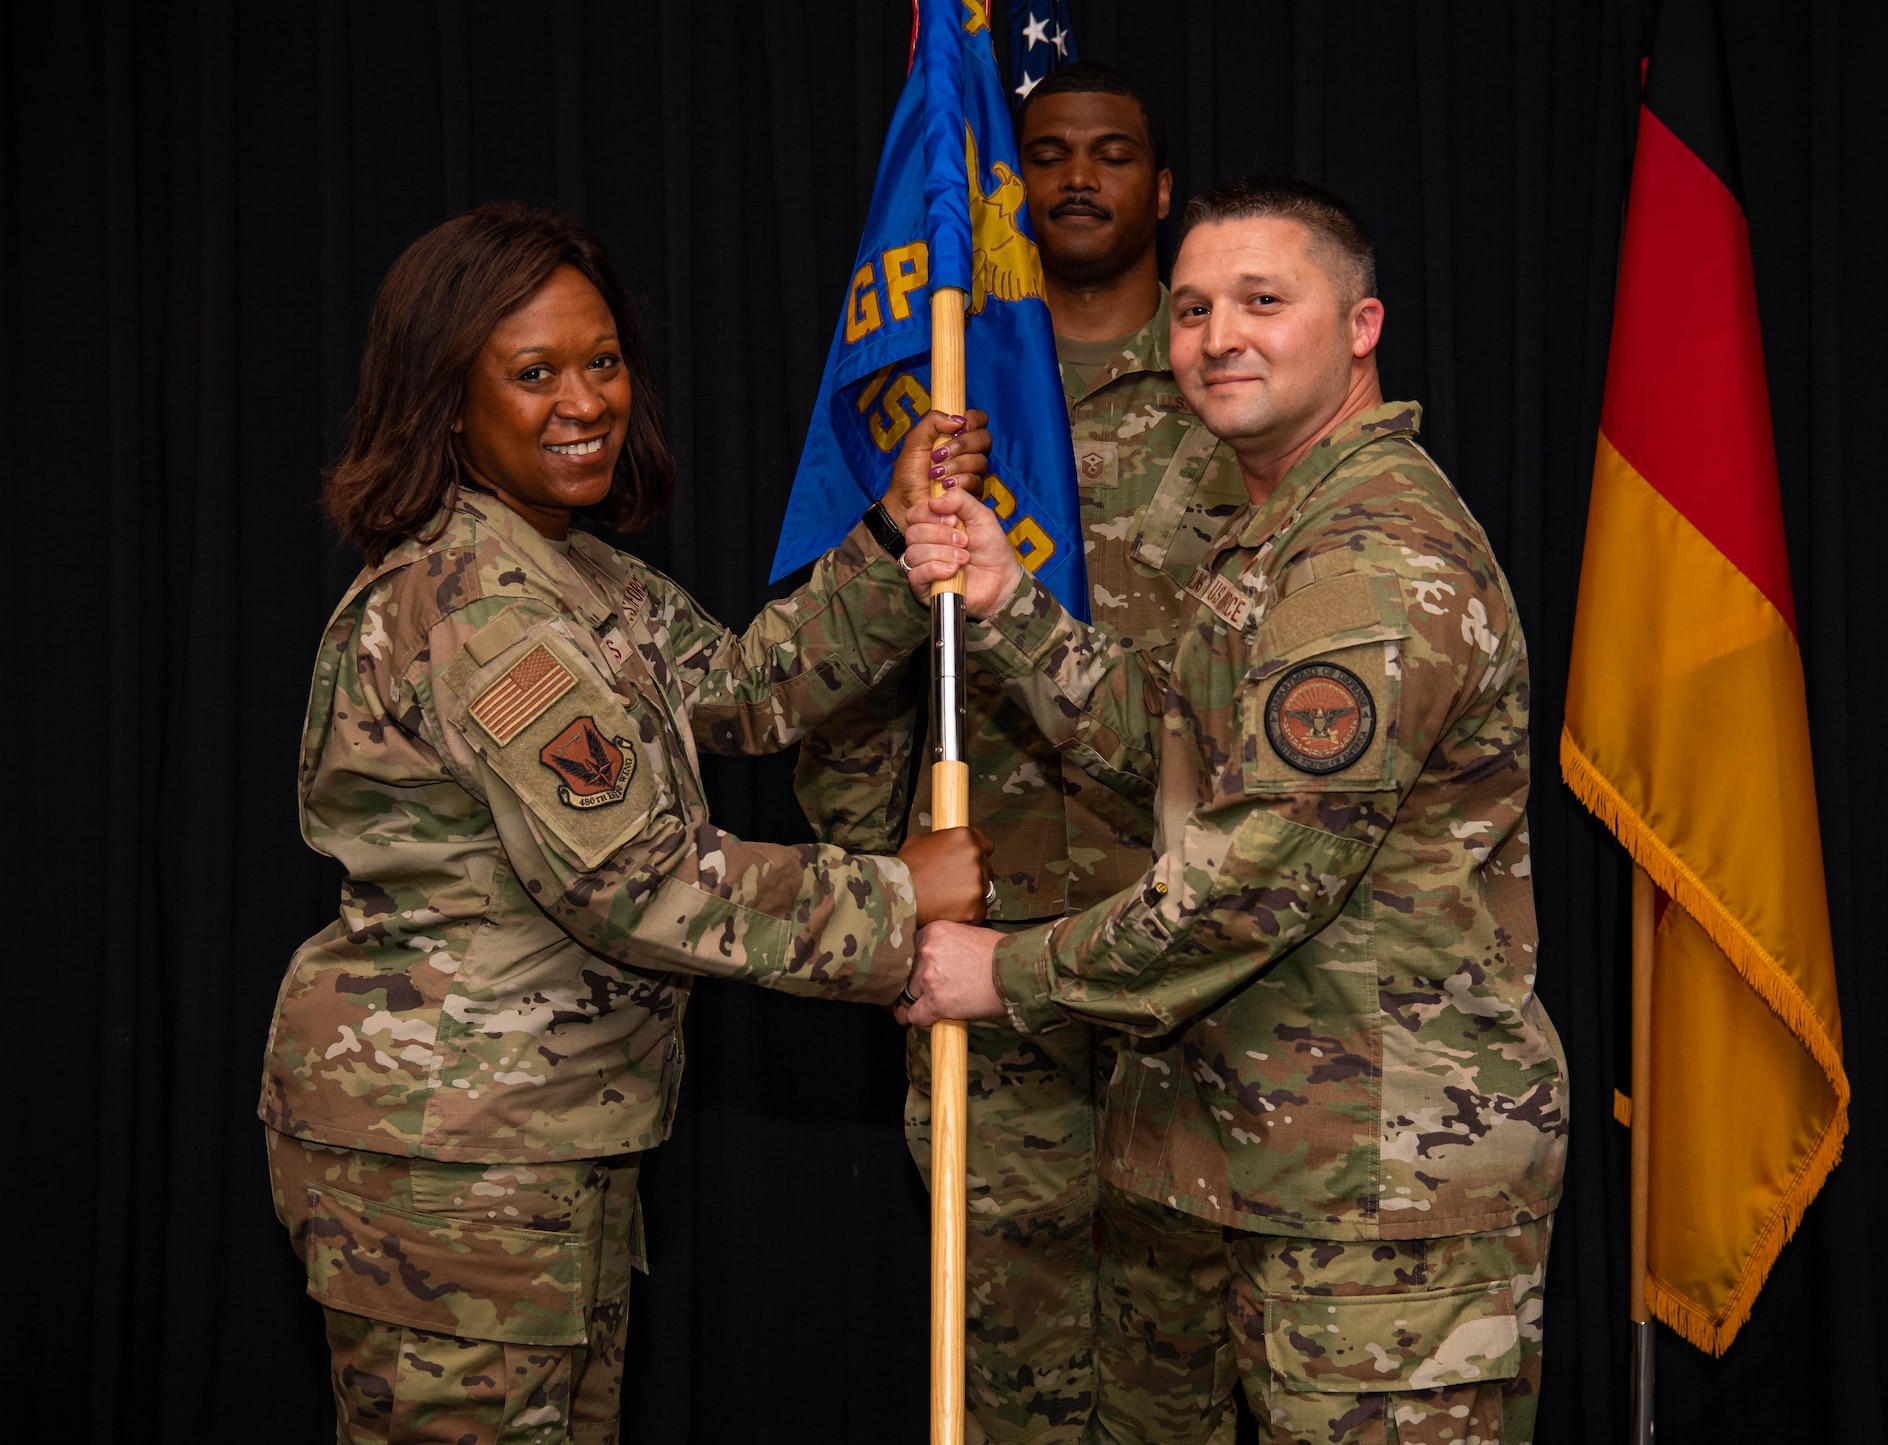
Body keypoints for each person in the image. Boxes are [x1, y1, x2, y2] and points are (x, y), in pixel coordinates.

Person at [258, 202, 992, 1445]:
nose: (584, 400)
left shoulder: (576, 572)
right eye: (532, 373)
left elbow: (745, 692)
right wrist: (894, 893)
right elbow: (639, 884)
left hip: (536, 1138)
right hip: (457, 1161)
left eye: (600, 361)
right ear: (448, 398)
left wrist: (889, 531)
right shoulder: (484, 607)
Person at [895, 177, 1568, 1445]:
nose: (1218, 336)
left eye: (1265, 300)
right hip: (1298, 1167)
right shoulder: (1286, 527)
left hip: (1383, 1192)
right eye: (1194, 307)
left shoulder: (1372, 558)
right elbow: (1180, 754)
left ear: (1359, 326)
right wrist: (1009, 605)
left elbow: (1253, 872)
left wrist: (1008, 971)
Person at [793, 64, 1246, 1444]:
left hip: (1191, 979)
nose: (1077, 180)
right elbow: (860, 685)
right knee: (1005, 1382)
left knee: (1183, 1380)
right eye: (1045, 154)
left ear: (1162, 190)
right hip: (996, 970)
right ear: (1011, 186)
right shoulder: (955, 411)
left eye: (1113, 155)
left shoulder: (1233, 414)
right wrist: (886, 897)